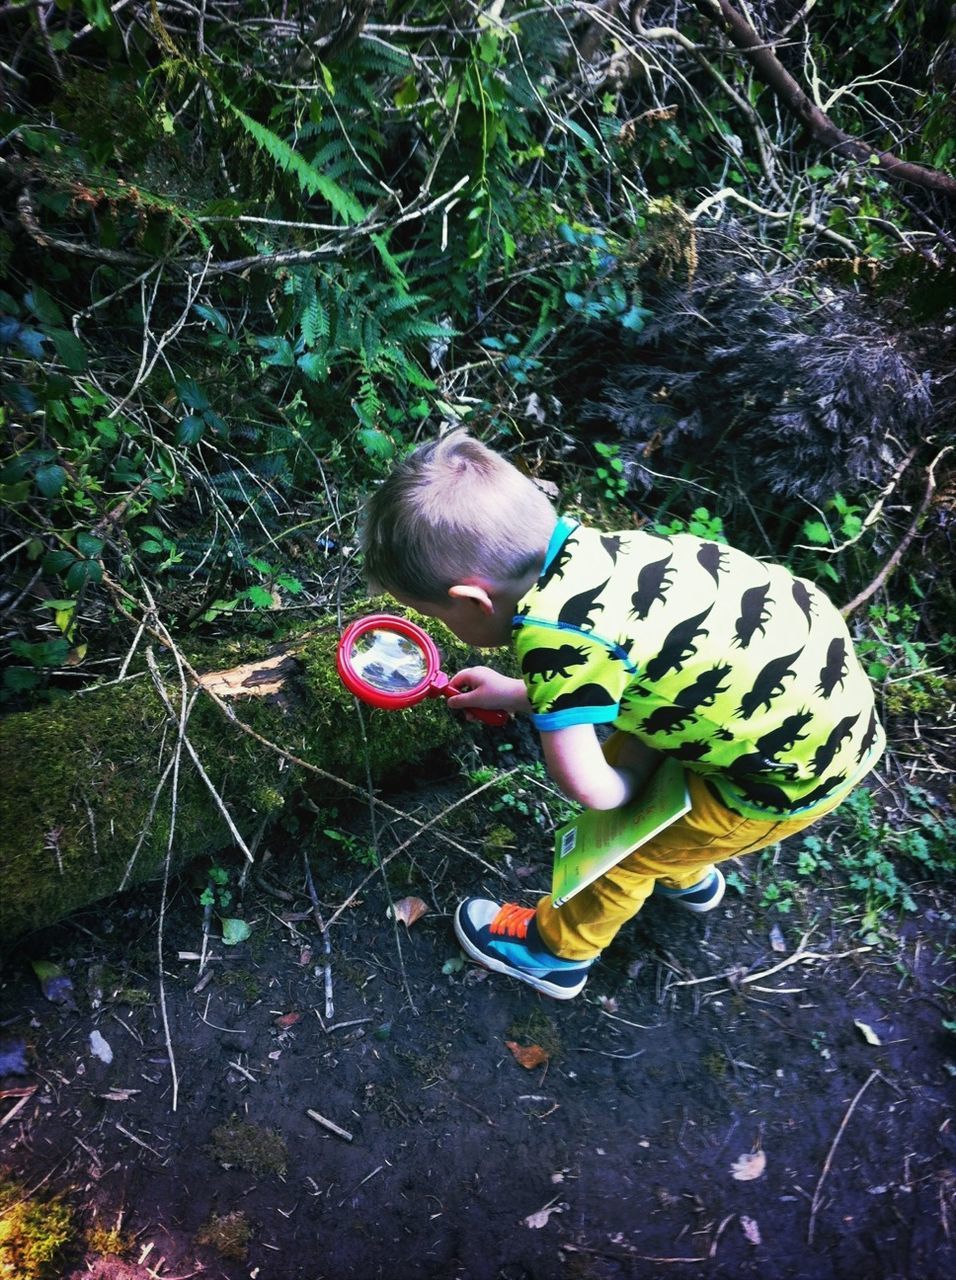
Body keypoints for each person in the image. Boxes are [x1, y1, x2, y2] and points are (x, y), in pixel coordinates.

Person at [360, 429, 885, 999]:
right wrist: (518, 691)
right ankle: (686, 868)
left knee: (621, 855)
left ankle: (555, 953)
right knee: (666, 801)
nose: (446, 628)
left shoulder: (551, 636)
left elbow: (589, 787)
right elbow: (622, 660)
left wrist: (630, 794)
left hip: (776, 779)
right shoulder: (614, 555)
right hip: (806, 711)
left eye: (436, 617)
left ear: (472, 600)